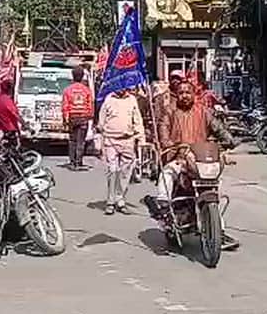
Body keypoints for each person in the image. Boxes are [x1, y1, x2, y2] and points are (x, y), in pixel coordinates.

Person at [149, 77, 236, 219]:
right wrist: (169, 144)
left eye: (188, 92)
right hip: (179, 157)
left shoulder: (203, 111)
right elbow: (163, 131)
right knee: (168, 172)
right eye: (181, 93)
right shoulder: (169, 111)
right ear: (176, 94)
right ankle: (164, 203)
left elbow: (218, 128)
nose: (185, 96)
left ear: (193, 94)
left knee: (214, 178)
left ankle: (215, 222)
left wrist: (228, 139)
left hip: (200, 158)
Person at [96, 86, 146, 215]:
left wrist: (141, 138)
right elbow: (101, 122)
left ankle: (120, 199)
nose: (121, 89)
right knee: (112, 170)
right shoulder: (109, 99)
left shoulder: (132, 100)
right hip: (111, 139)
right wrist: (101, 135)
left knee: (125, 172)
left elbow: (138, 120)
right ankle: (110, 201)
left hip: (128, 140)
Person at [61, 66, 94, 171]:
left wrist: (65, 119)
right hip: (84, 118)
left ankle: (72, 162)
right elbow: (90, 105)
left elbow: (65, 106)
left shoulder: (67, 90)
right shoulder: (86, 90)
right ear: (82, 76)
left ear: (73, 76)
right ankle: (78, 162)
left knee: (72, 140)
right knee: (81, 141)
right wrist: (90, 116)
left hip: (73, 118)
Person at [0, 78, 23, 148]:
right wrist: (25, 124)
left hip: (0, 128)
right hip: (10, 128)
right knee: (15, 147)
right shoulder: (7, 100)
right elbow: (15, 114)